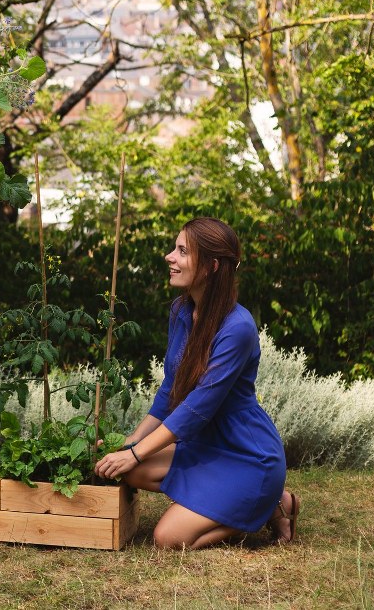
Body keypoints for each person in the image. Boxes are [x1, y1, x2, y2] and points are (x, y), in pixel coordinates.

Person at [95, 217, 299, 550]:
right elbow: (170, 392)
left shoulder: (238, 329)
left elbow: (195, 409)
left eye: (181, 251)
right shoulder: (180, 311)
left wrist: (136, 453)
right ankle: (250, 504)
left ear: (211, 266)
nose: (169, 257)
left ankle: (273, 505)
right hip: (206, 447)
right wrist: (130, 443)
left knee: (168, 539)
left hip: (248, 456)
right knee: (130, 469)